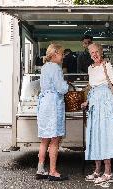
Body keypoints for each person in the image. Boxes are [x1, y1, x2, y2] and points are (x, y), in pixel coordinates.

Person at [81, 43, 113, 186]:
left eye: (96, 52)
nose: (94, 54)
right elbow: (92, 87)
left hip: (106, 104)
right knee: (96, 136)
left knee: (105, 136)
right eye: (91, 52)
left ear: (101, 52)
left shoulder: (107, 65)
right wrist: (87, 101)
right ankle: (97, 170)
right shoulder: (90, 68)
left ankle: (108, 173)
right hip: (95, 105)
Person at [36, 43, 70, 181]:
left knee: (44, 140)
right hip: (53, 105)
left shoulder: (44, 67)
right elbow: (61, 88)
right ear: (55, 53)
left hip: (44, 103)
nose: (63, 57)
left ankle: (40, 170)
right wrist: (67, 85)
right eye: (62, 54)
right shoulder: (56, 68)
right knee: (55, 139)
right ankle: (53, 171)